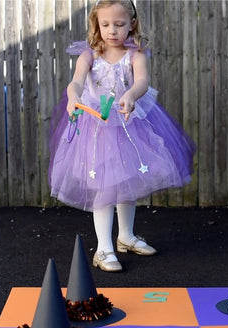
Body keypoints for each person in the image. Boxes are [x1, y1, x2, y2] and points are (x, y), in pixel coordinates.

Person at [48, 0, 196, 272]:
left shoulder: (135, 54)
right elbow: (77, 81)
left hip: (128, 124)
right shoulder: (89, 55)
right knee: (104, 187)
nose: (112, 31)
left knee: (127, 180)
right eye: (105, 25)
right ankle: (103, 248)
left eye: (119, 24)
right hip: (96, 129)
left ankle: (125, 236)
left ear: (132, 24)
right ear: (97, 25)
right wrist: (73, 96)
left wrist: (130, 96)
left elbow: (141, 82)